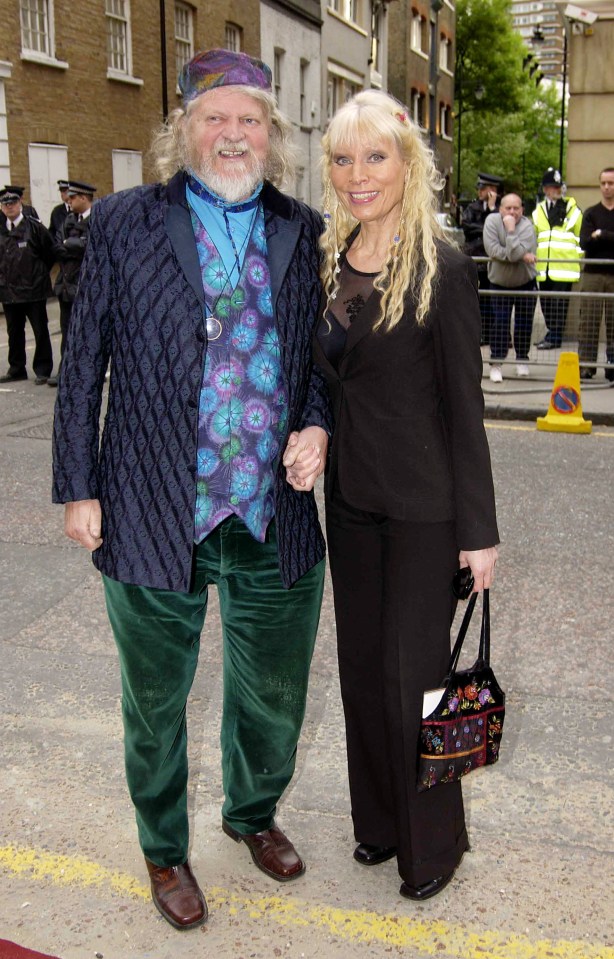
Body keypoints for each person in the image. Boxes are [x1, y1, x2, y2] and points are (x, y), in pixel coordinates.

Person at [52, 48, 330, 932]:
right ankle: (163, 846)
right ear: (184, 129)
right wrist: (76, 485)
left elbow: (317, 362)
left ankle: (250, 813)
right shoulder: (126, 220)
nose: (233, 133)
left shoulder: (304, 227)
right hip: (147, 505)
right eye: (215, 117)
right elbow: (80, 361)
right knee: (155, 700)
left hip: (269, 509)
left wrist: (316, 425)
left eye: (249, 118)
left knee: (275, 693)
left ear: (271, 134)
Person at [311, 90, 499, 903]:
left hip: (425, 508)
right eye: (344, 160)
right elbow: (322, 378)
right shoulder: (328, 259)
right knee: (359, 672)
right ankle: (380, 823)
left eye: (376, 157)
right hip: (349, 501)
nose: (359, 176)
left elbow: (466, 408)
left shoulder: (444, 267)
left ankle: (434, 844)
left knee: (416, 676)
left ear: (408, 165)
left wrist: (479, 532)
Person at [0, 187, 55, 384]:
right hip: (9, 290)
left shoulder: (34, 227)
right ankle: (16, 369)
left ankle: (43, 369)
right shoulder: (1, 228)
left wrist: (38, 274)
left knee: (40, 330)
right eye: (6, 205)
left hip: (34, 289)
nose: (10, 207)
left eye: (13, 203)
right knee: (14, 332)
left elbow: (50, 252)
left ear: (20, 204)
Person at [483, 193, 538, 382]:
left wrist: (511, 231)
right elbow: (492, 251)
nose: (512, 212)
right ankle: (496, 364)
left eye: (516, 208)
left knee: (524, 323)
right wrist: (520, 254)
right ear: (500, 209)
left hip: (525, 283)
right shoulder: (491, 221)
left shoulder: (527, 225)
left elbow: (511, 253)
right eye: (508, 208)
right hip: (499, 283)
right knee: (500, 323)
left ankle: (522, 359)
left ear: (522, 210)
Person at [48, 179, 96, 387]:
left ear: (84, 198)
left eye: (73, 197)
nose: (69, 199)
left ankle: (87, 373)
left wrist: (71, 245)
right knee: (67, 331)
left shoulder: (97, 219)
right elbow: (56, 246)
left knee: (89, 333)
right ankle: (65, 372)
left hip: (87, 285)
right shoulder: (67, 219)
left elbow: (92, 249)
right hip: (66, 285)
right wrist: (73, 246)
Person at [532, 168, 582, 349]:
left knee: (559, 305)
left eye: (558, 186)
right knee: (545, 304)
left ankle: (554, 337)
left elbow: (580, 238)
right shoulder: (538, 211)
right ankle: (551, 333)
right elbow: (535, 237)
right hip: (543, 267)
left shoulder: (572, 210)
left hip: (564, 267)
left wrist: (576, 258)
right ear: (545, 189)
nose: (556, 190)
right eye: (552, 187)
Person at [577, 166, 614, 381]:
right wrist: (596, 238)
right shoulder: (591, 213)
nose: (607, 187)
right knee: (589, 322)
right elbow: (585, 242)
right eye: (604, 183)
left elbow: (595, 239)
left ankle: (612, 366)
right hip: (593, 274)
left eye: (611, 183)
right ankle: (587, 366)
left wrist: (602, 234)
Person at [461, 172, 503, 344]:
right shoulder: (472, 208)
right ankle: (478, 334)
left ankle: (493, 334)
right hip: (475, 260)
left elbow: (497, 230)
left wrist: (491, 210)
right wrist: (485, 228)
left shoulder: (500, 208)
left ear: (493, 190)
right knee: (475, 301)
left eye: (484, 188)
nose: (480, 192)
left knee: (492, 303)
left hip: (492, 263)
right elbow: (467, 228)